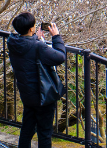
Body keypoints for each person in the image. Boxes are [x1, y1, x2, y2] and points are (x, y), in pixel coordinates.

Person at [7, 12, 66, 148]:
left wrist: (35, 39)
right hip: (42, 96)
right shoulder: (38, 47)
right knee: (44, 133)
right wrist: (56, 37)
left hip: (27, 94)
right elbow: (60, 57)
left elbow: (27, 49)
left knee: (27, 130)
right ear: (31, 29)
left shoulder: (12, 42)